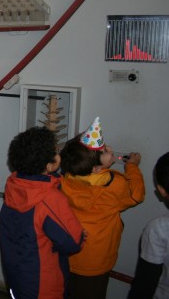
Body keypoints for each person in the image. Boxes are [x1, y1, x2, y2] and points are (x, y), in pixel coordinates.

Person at [60, 117, 145, 299]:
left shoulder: (67, 177)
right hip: (96, 260)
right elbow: (136, 195)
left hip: (69, 252)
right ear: (97, 169)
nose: (111, 149)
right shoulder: (114, 185)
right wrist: (132, 168)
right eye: (105, 150)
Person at [0, 126, 85, 299]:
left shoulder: (13, 187)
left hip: (16, 280)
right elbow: (73, 242)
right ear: (50, 165)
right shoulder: (49, 198)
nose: (59, 152)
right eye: (57, 151)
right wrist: (81, 234)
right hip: (43, 286)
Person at [128, 152, 169, 299]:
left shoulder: (159, 228)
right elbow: (136, 195)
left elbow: (144, 285)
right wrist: (132, 167)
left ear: (162, 190)